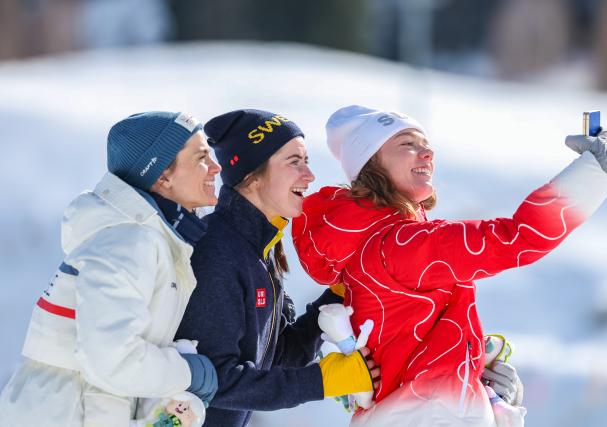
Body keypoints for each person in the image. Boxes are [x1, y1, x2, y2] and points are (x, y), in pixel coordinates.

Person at [292, 105, 607, 426]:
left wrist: (476, 367)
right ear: (370, 165)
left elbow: (408, 345)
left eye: (426, 145)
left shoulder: (375, 247)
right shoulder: (403, 244)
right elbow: (517, 237)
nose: (426, 153)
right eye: (407, 144)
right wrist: (595, 172)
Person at [0, 112, 221, 426]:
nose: (216, 167)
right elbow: (111, 359)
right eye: (201, 157)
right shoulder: (129, 242)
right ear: (163, 175)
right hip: (60, 411)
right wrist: (187, 372)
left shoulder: (153, 240)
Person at [176, 109, 378, 427]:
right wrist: (322, 381)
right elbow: (217, 379)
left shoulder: (258, 251)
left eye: (306, 161)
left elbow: (282, 355)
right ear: (251, 176)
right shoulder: (218, 253)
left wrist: (340, 293)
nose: (309, 175)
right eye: (293, 162)